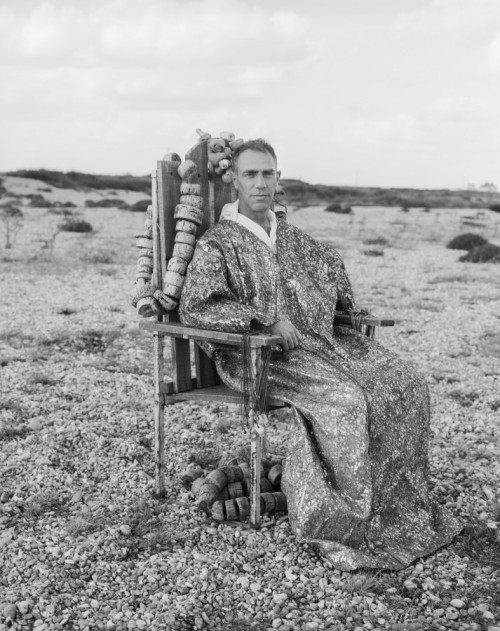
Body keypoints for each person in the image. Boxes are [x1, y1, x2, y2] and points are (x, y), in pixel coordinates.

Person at [179, 139, 461, 571]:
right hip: (259, 356)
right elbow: (198, 305)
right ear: (233, 179)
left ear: (278, 178)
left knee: (404, 382)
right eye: (250, 174)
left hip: (318, 344)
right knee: (347, 400)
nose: (260, 183)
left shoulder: (290, 237)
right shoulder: (218, 243)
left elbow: (330, 268)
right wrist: (264, 321)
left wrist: (347, 311)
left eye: (267, 173)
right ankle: (342, 520)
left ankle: (397, 509)